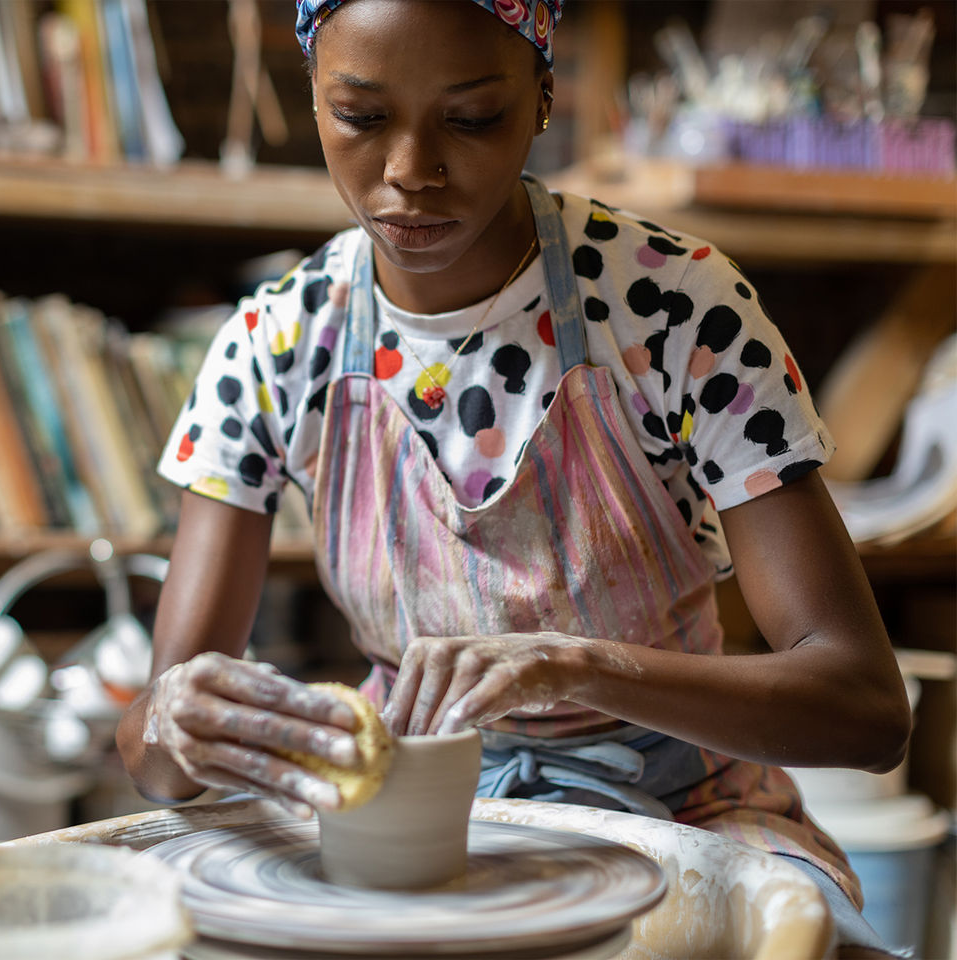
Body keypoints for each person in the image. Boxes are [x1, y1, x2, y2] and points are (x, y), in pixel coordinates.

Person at [117, 1, 913, 955]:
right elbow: (156, 765)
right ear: (313, 99)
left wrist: (573, 662)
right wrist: (178, 721)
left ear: (542, 99)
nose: (410, 171)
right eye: (362, 119)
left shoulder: (674, 307)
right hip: (403, 811)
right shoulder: (276, 343)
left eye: (472, 116)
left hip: (688, 804)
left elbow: (866, 712)